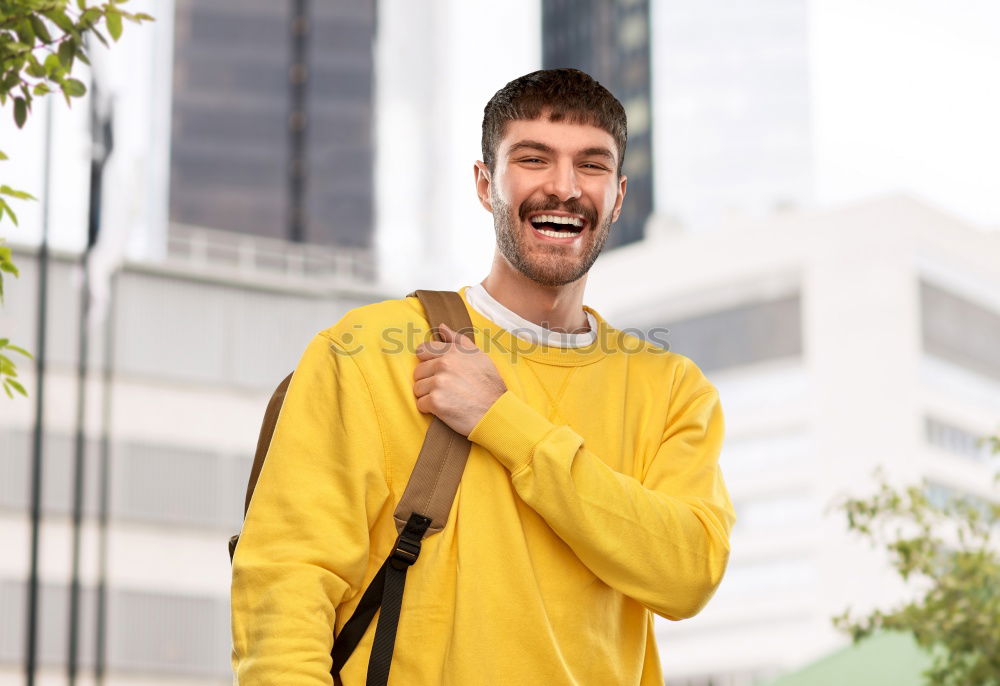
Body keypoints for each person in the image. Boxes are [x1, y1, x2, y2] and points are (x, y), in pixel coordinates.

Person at [231, 68, 734, 685]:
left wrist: (506, 422)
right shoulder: (365, 350)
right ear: (484, 182)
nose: (564, 187)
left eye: (592, 165)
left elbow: (688, 573)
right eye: (533, 158)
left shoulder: (672, 389)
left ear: (619, 196)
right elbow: (283, 582)